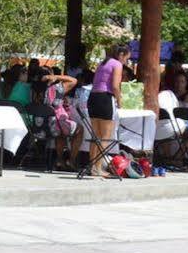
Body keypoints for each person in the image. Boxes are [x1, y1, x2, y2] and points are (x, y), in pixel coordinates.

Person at [87, 45, 125, 173]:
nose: (125, 61)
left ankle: (92, 167)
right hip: (105, 97)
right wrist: (119, 100)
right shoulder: (117, 64)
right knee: (105, 136)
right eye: (126, 58)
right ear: (121, 55)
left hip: (93, 97)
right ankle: (98, 168)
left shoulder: (103, 63)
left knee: (95, 136)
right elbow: (115, 86)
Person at [40, 65, 80, 169]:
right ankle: (72, 160)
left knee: (61, 133)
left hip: (41, 126)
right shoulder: (57, 88)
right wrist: (57, 77)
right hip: (55, 125)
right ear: (50, 75)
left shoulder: (36, 88)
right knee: (80, 130)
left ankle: (60, 160)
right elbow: (74, 80)